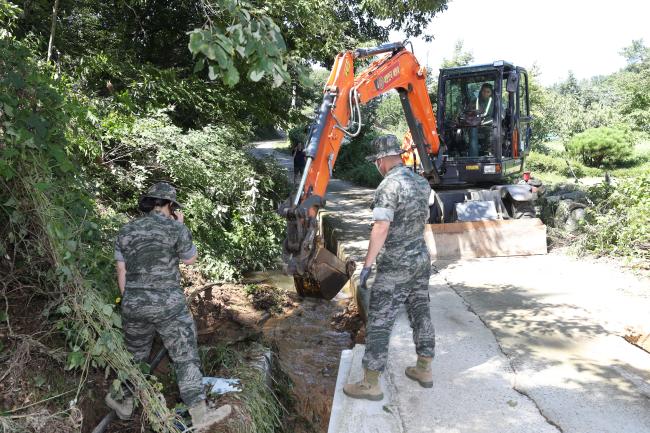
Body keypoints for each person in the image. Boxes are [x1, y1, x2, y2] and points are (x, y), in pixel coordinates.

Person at [108, 182, 231, 431]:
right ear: (170, 206)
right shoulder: (176, 228)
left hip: (133, 305)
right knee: (185, 357)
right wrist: (181, 226)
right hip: (169, 306)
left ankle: (124, 404)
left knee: (135, 357)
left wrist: (134, 302)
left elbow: (121, 270)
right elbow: (190, 259)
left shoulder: (126, 230)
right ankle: (199, 414)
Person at [343, 135, 436, 401]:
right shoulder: (421, 182)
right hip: (420, 259)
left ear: (382, 160)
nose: (376, 165)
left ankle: (371, 383)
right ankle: (424, 369)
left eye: (375, 161)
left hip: (396, 264)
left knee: (380, 320)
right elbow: (422, 221)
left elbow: (381, 227)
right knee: (421, 312)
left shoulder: (388, 185)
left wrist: (367, 265)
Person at [469, 82, 494, 157]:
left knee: (493, 132)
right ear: (481, 91)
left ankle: (489, 153)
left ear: (491, 93)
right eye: (484, 91)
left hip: (489, 126)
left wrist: (485, 122)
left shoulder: (496, 102)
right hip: (474, 125)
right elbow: (468, 111)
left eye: (488, 92)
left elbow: (501, 115)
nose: (485, 93)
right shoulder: (474, 101)